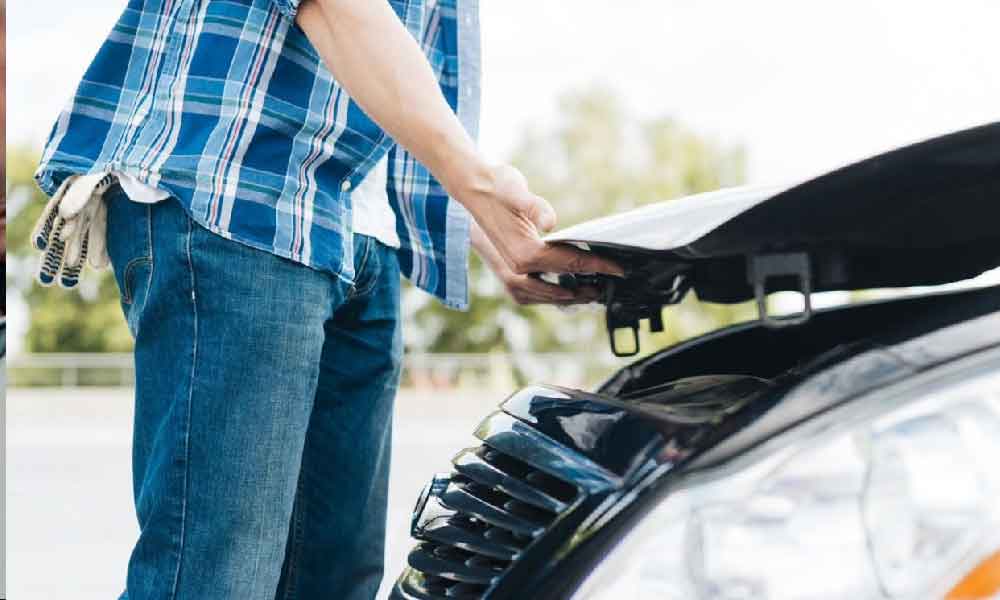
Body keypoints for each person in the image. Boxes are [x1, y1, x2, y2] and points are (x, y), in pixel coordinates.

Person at [33, 1, 622, 598]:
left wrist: (484, 223)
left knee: (334, 582)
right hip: (239, 193)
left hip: (360, 225)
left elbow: (387, 65)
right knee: (215, 580)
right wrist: (477, 183)